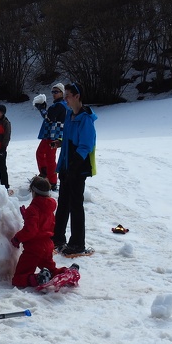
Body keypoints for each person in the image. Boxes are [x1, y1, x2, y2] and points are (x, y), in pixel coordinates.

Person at [54, 82, 97, 256]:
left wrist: (74, 165)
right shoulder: (69, 115)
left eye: (68, 96)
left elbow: (86, 145)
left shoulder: (85, 118)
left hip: (78, 168)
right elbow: (70, 140)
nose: (66, 100)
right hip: (66, 165)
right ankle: (57, 238)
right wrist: (60, 143)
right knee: (63, 203)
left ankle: (78, 243)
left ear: (77, 96)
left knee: (75, 205)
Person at [11, 177, 71, 287]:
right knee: (51, 270)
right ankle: (66, 272)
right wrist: (27, 217)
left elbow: (31, 231)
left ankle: (38, 279)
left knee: (18, 278)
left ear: (33, 192)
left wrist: (17, 238)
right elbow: (45, 225)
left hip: (34, 249)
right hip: (47, 246)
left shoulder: (33, 209)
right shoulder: (49, 208)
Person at [34, 82, 68, 189]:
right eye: (53, 92)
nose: (54, 94)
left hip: (54, 135)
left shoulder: (60, 105)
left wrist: (41, 108)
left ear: (62, 93)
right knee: (41, 153)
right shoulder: (59, 105)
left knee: (49, 157)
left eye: (56, 92)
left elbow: (49, 117)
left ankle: (52, 181)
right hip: (51, 134)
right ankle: (45, 174)